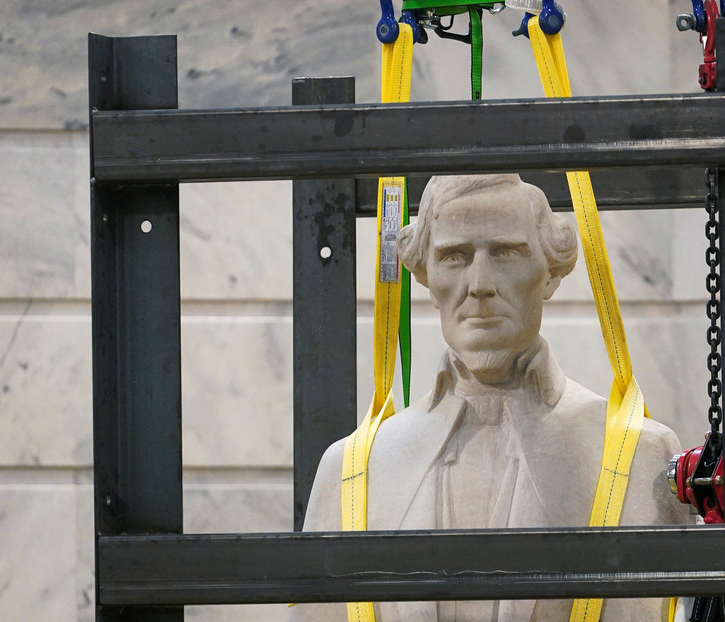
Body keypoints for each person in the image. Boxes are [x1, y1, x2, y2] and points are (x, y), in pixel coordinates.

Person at [292, 174, 691, 622]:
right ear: (425, 274)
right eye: (454, 256)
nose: (479, 283)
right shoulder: (349, 472)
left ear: (550, 272)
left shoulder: (643, 456)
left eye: (505, 252)